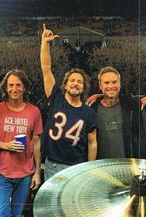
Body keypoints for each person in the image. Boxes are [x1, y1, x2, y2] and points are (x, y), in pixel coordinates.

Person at [0, 69, 43, 217]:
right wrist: (6, 145)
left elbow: (36, 142)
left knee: (17, 216)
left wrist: (36, 172)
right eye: (11, 85)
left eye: (18, 85)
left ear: (25, 87)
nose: (14, 88)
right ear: (5, 87)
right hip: (2, 173)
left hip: (25, 173)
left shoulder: (34, 111)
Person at [40, 24, 97, 180]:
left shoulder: (89, 112)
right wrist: (44, 44)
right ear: (65, 84)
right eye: (72, 80)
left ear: (84, 87)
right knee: (52, 204)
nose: (75, 83)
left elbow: (92, 142)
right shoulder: (56, 97)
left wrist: (89, 168)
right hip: (53, 165)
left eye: (80, 81)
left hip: (78, 167)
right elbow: (46, 68)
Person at [90, 66, 138, 159]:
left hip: (127, 167)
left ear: (119, 84)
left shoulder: (131, 105)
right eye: (106, 83)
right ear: (100, 86)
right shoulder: (91, 109)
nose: (111, 86)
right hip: (101, 167)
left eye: (114, 82)